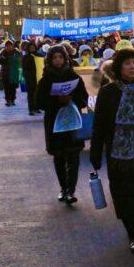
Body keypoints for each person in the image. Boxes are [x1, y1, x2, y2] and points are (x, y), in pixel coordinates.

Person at [90, 49, 134, 253]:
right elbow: (99, 123)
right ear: (119, 67)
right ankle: (133, 232)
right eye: (128, 63)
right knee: (124, 193)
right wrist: (95, 151)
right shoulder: (108, 92)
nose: (133, 67)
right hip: (118, 154)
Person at [36, 45, 89, 205]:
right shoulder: (45, 80)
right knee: (59, 157)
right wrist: (56, 100)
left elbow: (84, 98)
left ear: (66, 59)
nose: (58, 61)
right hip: (54, 123)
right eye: (55, 58)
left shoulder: (74, 77)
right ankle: (63, 188)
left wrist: (71, 98)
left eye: (60, 57)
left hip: (72, 122)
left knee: (73, 157)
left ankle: (70, 190)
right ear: (50, 60)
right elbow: (39, 102)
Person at [0, 40, 22, 106]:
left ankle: (12, 100)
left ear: (12, 46)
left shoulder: (16, 52)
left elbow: (20, 60)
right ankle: (8, 100)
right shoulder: (3, 52)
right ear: (5, 47)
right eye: (7, 46)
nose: (9, 47)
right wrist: (3, 57)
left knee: (13, 88)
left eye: (10, 46)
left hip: (14, 73)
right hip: (6, 73)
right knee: (7, 88)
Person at [22, 42, 40, 115]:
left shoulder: (39, 56)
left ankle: (36, 108)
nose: (32, 48)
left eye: (33, 47)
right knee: (30, 94)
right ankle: (31, 109)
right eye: (30, 47)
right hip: (30, 78)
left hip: (38, 77)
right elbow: (24, 67)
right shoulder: (26, 57)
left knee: (38, 94)